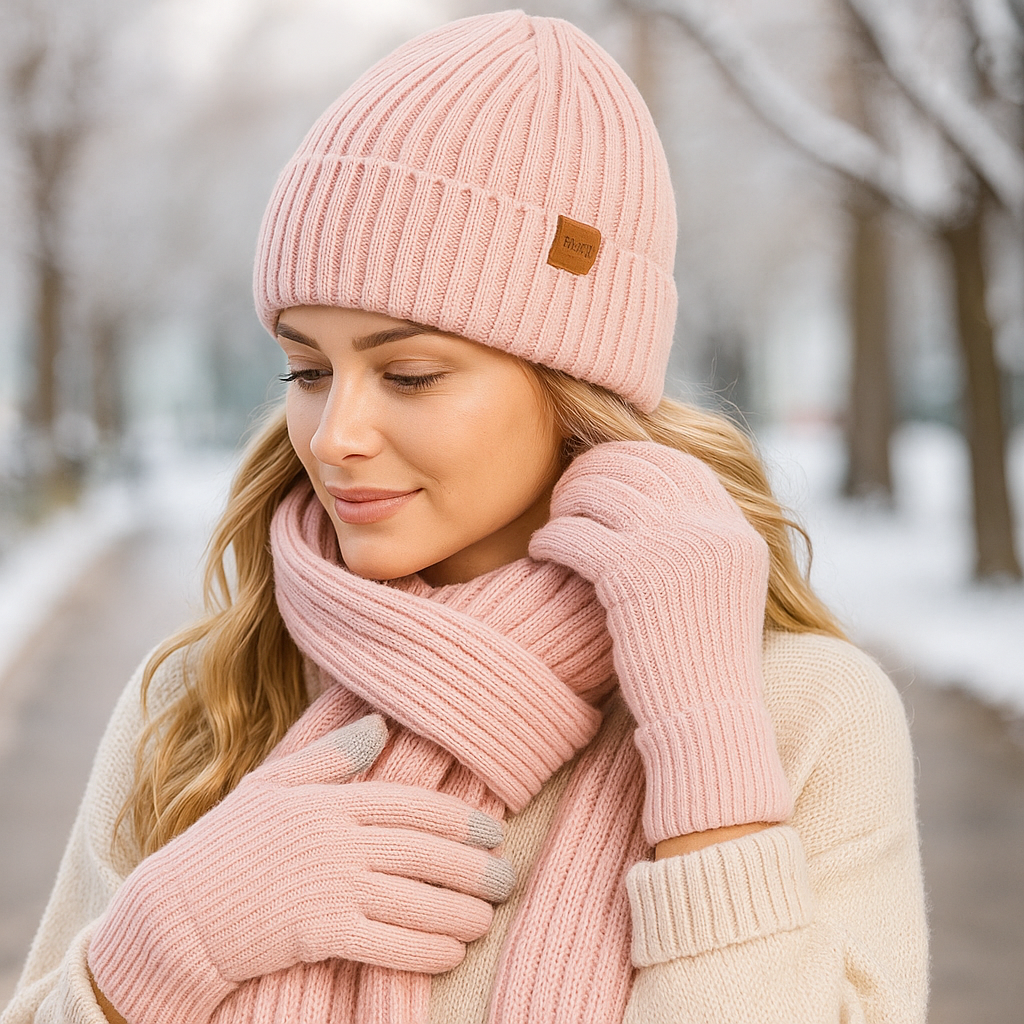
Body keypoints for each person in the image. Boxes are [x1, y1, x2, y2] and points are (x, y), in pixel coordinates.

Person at [1, 10, 928, 1024]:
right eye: (306, 368)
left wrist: (704, 744)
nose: (334, 433)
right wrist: (165, 940)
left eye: (407, 372)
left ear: (572, 380)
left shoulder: (803, 714)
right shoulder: (202, 702)